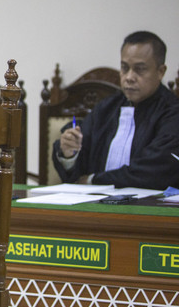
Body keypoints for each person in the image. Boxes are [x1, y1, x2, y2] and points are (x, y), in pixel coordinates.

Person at [53, 31, 179, 190]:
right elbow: (78, 172)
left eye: (139, 69)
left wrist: (95, 180)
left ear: (160, 71)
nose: (129, 77)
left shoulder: (172, 113)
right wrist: (69, 153)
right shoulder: (106, 108)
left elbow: (156, 169)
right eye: (124, 68)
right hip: (95, 204)